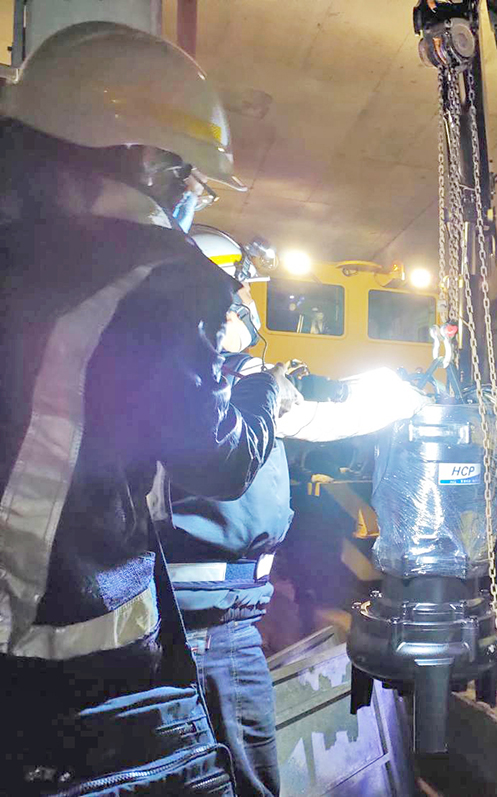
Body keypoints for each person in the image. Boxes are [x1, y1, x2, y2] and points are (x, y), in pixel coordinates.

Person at [0, 22, 300, 793]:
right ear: (142, 154)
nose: (189, 199)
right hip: (61, 648)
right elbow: (217, 459)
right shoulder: (163, 274)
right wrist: (271, 392)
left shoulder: (21, 246)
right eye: (189, 178)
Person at [164, 226, 431, 796]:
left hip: (216, 617)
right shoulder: (208, 390)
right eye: (235, 300)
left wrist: (395, 399)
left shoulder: (229, 389)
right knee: (242, 775)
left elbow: (318, 419)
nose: (244, 312)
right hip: (204, 624)